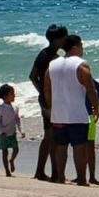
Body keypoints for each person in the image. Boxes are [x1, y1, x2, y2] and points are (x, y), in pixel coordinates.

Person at [48, 34, 99, 186]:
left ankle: (60, 177)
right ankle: (81, 179)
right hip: (77, 114)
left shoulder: (53, 65)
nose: (82, 49)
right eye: (81, 46)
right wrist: (96, 107)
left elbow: (47, 88)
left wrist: (51, 106)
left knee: (61, 147)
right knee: (79, 146)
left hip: (59, 114)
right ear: (75, 47)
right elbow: (91, 89)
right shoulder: (81, 65)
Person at [29, 25, 68, 182]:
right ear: (58, 39)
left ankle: (42, 171)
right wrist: (46, 94)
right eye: (64, 37)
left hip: (46, 98)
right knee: (53, 136)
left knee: (49, 136)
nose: (66, 40)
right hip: (51, 100)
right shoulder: (53, 57)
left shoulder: (43, 53)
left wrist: (42, 92)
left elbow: (33, 76)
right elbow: (34, 76)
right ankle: (54, 173)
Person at [0, 83, 24, 177]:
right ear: (5, 96)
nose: (14, 95)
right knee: (5, 152)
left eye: (14, 93)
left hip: (12, 133)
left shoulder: (15, 108)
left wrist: (21, 130)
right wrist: (1, 131)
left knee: (16, 149)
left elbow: (17, 120)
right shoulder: (1, 109)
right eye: (12, 94)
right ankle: (7, 171)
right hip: (2, 134)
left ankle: (11, 160)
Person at [85, 80, 99, 185]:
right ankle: (82, 175)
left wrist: (96, 105)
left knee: (89, 146)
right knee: (82, 147)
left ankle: (91, 176)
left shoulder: (82, 74)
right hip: (79, 114)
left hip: (88, 114)